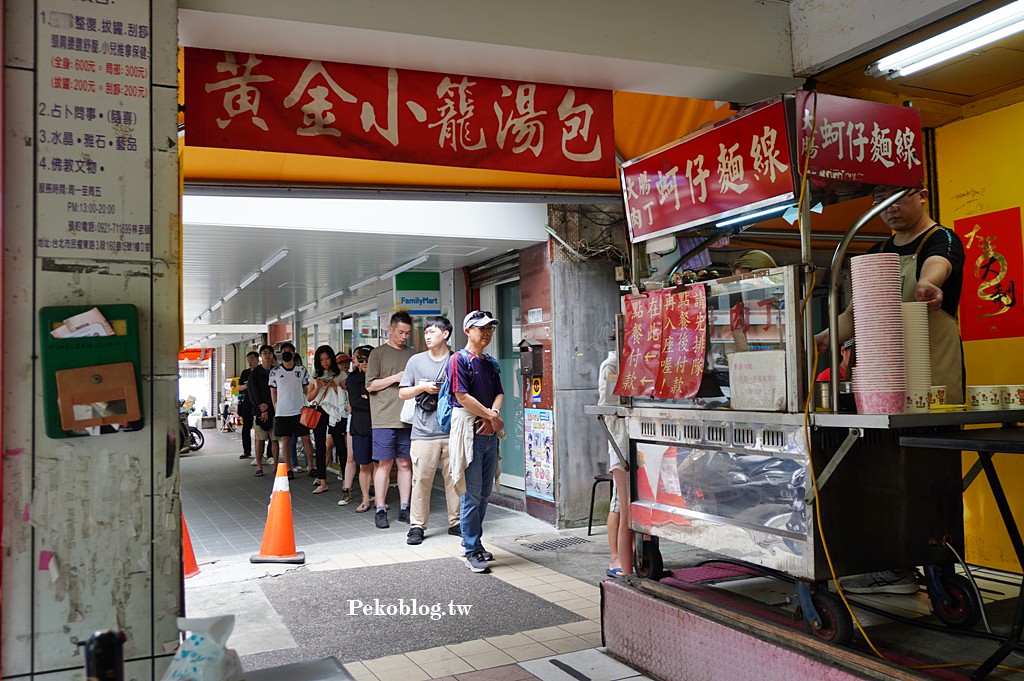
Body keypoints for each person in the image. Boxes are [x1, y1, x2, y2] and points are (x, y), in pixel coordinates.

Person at [816, 183, 966, 595]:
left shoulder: (941, 239)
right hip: (883, 380)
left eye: (899, 198)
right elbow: (855, 313)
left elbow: (939, 265)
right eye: (882, 202)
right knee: (888, 466)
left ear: (922, 195)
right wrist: (822, 338)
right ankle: (894, 564)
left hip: (930, 370)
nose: (891, 209)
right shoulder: (878, 251)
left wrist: (928, 285)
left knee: (931, 470)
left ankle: (938, 563)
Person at [448, 310, 505, 574]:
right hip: (468, 431)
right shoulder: (458, 359)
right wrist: (490, 416)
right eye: (481, 328)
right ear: (468, 330)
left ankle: (474, 541)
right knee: (471, 494)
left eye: (490, 328)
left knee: (484, 494)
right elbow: (462, 396)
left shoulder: (491, 363)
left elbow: (499, 393)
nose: (487, 332)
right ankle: (471, 548)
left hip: (489, 431)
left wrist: (492, 417)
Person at [398, 316, 461, 545]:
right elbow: (403, 393)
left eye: (432, 332)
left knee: (454, 479)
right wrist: (422, 388)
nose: (427, 336)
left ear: (445, 334)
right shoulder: (416, 361)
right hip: (423, 432)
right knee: (421, 480)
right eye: (425, 332)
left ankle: (456, 522)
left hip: (452, 431)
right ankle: (417, 526)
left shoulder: (457, 360)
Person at [366, 312, 416, 529]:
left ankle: (405, 507)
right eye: (400, 332)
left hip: (408, 417)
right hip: (384, 418)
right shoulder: (377, 354)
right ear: (391, 330)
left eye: (407, 333)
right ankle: (380, 508)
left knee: (405, 463)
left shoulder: (413, 356)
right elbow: (370, 386)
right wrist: (395, 378)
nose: (404, 336)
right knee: (384, 464)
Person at [599, 342, 632, 578]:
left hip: (632, 440)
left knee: (623, 503)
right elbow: (608, 404)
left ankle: (628, 556)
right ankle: (616, 557)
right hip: (621, 441)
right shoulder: (611, 365)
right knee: (619, 503)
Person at [307, 345, 348, 495]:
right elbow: (309, 397)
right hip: (319, 411)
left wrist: (333, 386)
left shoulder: (340, 374)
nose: (325, 362)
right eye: (322, 359)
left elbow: (347, 394)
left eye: (327, 359)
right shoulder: (315, 374)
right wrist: (318, 387)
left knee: (340, 445)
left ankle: (345, 479)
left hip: (335, 413)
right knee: (320, 445)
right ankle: (322, 481)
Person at [269, 342, 310, 481]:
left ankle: (311, 467)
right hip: (283, 411)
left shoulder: (301, 370)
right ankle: (288, 468)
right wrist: (276, 407)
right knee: (286, 440)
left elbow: (306, 389)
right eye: (283, 351)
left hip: (300, 410)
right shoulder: (275, 371)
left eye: (289, 351)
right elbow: (273, 391)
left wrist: (309, 403)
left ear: (293, 353)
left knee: (306, 438)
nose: (286, 353)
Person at [343, 346, 376, 513]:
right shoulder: (352, 379)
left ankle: (379, 498)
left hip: (378, 425)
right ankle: (365, 498)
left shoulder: (380, 377)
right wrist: (371, 399)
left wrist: (367, 397)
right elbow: (355, 402)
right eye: (360, 360)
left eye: (367, 359)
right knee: (363, 464)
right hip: (360, 426)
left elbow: (385, 401)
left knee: (380, 464)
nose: (364, 363)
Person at [248, 344, 280, 477]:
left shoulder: (277, 371)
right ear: (261, 356)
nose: (267, 355)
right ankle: (259, 466)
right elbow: (253, 393)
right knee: (260, 439)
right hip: (258, 410)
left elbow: (278, 391)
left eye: (269, 353)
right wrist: (262, 408)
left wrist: (268, 406)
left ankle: (276, 466)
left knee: (274, 439)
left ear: (273, 355)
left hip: (274, 410)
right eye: (264, 353)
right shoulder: (254, 373)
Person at [237, 351, 258, 459]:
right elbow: (239, 387)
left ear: (257, 360)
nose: (250, 362)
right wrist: (247, 386)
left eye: (252, 360)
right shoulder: (245, 373)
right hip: (247, 404)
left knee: (260, 430)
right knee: (246, 428)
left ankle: (265, 454)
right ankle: (247, 451)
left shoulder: (261, 371)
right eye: (248, 360)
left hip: (259, 405)